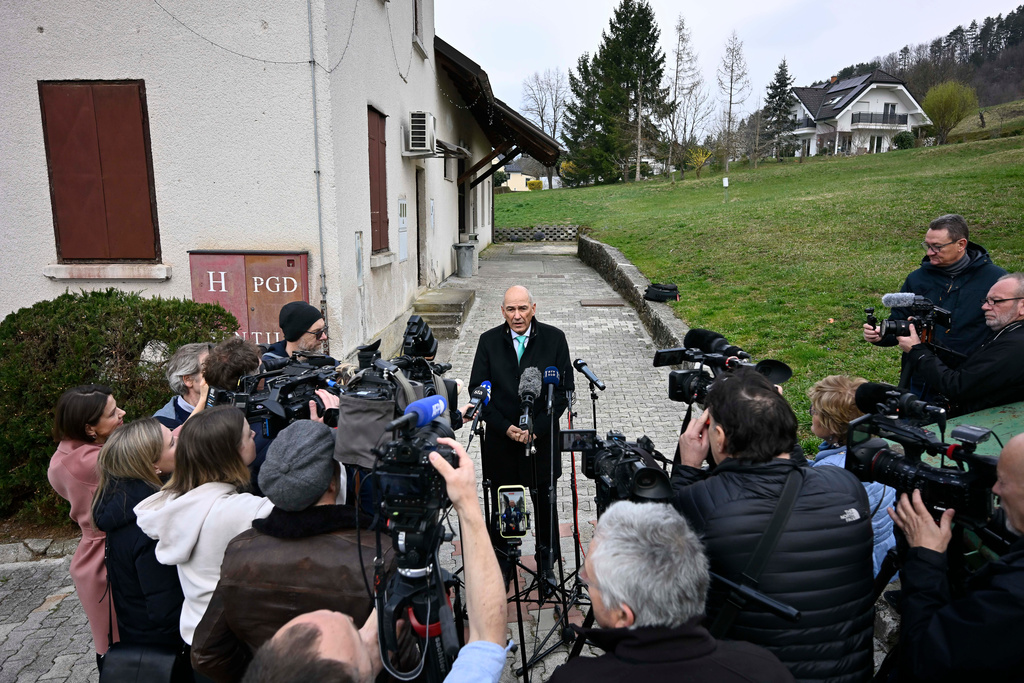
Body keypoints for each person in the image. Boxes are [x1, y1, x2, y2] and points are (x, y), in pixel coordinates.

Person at [240, 438, 509, 683]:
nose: (363, 627)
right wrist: (467, 504)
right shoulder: (381, 555)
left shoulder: (239, 552)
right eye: (355, 632)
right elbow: (486, 638)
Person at [671, 367, 874, 683]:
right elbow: (793, 477)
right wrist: (773, 420)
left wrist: (686, 469)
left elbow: (668, 557)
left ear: (720, 437)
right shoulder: (846, 486)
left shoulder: (703, 502)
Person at [190, 420, 380, 682]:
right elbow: (405, 659)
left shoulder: (239, 551)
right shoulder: (379, 553)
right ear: (332, 484)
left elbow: (206, 653)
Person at [547, 501, 794, 683]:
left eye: (588, 579)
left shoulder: (574, 678)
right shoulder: (765, 668)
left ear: (623, 615)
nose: (586, 584)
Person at [888, 432, 1024, 681]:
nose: (994, 489)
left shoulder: (1011, 598)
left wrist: (926, 557)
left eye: (1002, 482)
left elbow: (922, 660)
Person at [134, 406, 274, 648]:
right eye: (246, 433)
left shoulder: (177, 503)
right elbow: (315, 509)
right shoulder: (239, 511)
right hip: (236, 644)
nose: (253, 433)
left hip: (200, 637)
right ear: (231, 453)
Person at [468, 285, 573, 585]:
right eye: (511, 309)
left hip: (540, 442)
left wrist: (536, 429)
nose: (517, 315)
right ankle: (504, 561)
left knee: (545, 504)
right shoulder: (488, 342)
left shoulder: (555, 339)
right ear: (502, 311)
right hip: (503, 442)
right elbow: (479, 391)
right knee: (507, 503)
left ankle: (546, 566)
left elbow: (565, 393)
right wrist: (505, 427)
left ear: (534, 308)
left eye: (522, 308)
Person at [92, 418, 193, 680]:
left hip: (139, 633)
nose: (179, 442)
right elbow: (166, 608)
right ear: (153, 466)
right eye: (171, 443)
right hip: (167, 653)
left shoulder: (121, 504)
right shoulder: (149, 525)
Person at [863, 214, 1005, 398]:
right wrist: (880, 335)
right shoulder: (917, 278)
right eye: (927, 246)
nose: (929, 252)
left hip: (968, 378)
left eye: (937, 247)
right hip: (921, 375)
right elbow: (900, 321)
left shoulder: (995, 280)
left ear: (961, 244)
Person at [48, 384, 125, 663]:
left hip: (97, 556)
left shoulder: (71, 451)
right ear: (90, 428)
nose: (122, 413)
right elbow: (155, 454)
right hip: (106, 561)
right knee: (117, 650)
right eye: (113, 412)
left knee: (112, 646)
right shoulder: (86, 460)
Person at [896, 272, 1024, 416]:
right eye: (986, 300)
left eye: (996, 301)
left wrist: (917, 352)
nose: (985, 307)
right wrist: (929, 342)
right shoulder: (1011, 333)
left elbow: (956, 387)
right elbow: (970, 369)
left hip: (979, 425)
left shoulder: (1016, 345)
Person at [807, 375, 897, 577]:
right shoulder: (874, 450)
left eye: (814, 410)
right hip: (884, 548)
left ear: (830, 424)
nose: (811, 413)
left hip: (859, 563)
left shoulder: (831, 472)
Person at [154, 342, 215, 429]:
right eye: (209, 369)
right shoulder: (163, 423)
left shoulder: (228, 404)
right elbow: (179, 440)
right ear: (188, 380)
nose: (218, 374)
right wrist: (203, 402)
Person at [261, 301, 335, 365]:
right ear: (297, 334)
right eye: (317, 332)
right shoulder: (268, 367)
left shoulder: (326, 362)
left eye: (324, 330)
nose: (324, 337)